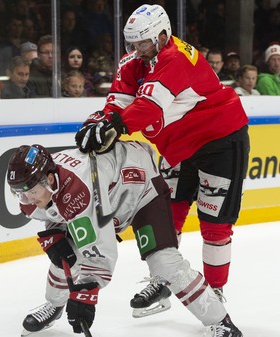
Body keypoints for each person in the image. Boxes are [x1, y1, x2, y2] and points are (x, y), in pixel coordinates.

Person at [7, 142, 250, 337]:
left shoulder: (78, 189)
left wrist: (85, 296)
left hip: (143, 192)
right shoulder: (33, 192)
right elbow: (54, 215)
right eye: (20, 193)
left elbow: (101, 253)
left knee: (165, 263)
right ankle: (54, 304)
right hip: (111, 194)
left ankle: (225, 326)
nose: (26, 199)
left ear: (49, 179)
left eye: (30, 192)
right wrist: (56, 234)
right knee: (66, 255)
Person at [74, 4, 250, 310]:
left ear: (163, 35)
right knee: (165, 215)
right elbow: (119, 101)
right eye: (132, 44)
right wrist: (99, 120)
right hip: (178, 148)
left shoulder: (175, 58)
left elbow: (148, 109)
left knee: (214, 225)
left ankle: (215, 293)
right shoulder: (134, 61)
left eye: (143, 43)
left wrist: (113, 125)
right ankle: (165, 278)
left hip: (219, 141)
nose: (137, 50)